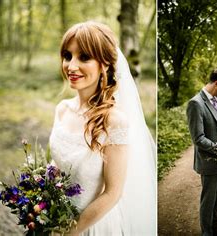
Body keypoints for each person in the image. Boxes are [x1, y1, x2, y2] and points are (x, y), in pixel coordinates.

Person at [49, 21, 156, 235]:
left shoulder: (114, 121)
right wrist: (39, 201)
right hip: (53, 217)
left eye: (84, 57)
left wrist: (68, 231)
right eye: (67, 56)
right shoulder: (62, 109)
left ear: (105, 63)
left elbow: (113, 193)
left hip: (92, 226)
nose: (71, 66)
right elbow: (57, 163)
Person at [187, 68, 217, 236]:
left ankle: (216, 230)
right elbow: (198, 138)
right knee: (208, 201)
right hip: (209, 162)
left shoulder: (216, 101)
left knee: (216, 202)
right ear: (216, 83)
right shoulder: (195, 103)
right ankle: (207, 233)